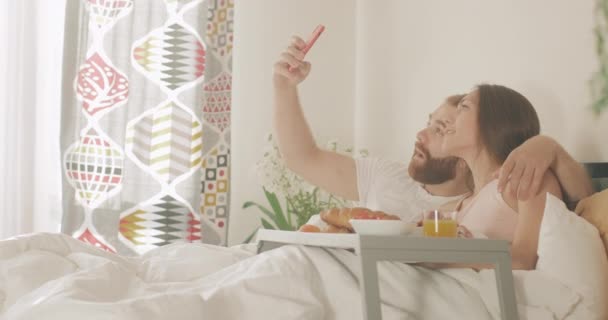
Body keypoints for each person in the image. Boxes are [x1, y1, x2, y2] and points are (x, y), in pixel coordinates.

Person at [272, 35, 593, 229]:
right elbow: (301, 158)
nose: (421, 134)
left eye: (442, 127)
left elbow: (578, 219)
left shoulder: (488, 199)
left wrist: (550, 147)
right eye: (430, 121)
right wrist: (284, 86)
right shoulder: (386, 175)